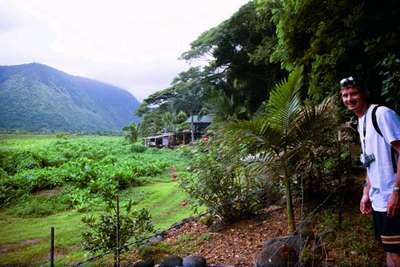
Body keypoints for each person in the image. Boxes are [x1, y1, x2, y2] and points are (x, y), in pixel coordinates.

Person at [340, 76, 400, 266]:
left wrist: (397, 192)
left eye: (354, 93)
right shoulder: (361, 122)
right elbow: (370, 162)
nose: (349, 99)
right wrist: (366, 192)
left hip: (394, 199)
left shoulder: (381, 114)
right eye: (345, 95)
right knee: (389, 249)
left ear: (364, 93)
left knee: (397, 253)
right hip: (379, 201)